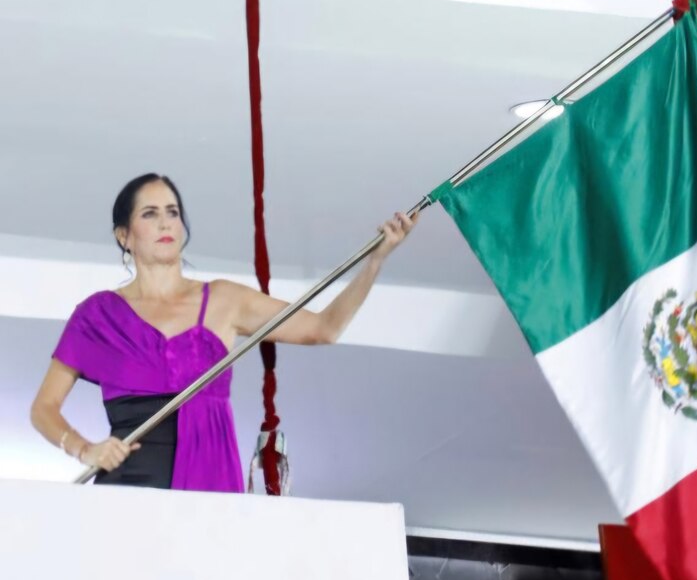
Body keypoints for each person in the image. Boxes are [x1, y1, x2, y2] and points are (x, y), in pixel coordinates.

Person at [30, 173, 416, 492]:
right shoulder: (97, 315)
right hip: (129, 484)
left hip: (210, 479)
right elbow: (43, 409)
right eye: (150, 214)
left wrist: (375, 263)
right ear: (124, 236)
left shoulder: (225, 300)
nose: (166, 222)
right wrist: (84, 450)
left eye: (173, 212)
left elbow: (323, 328)